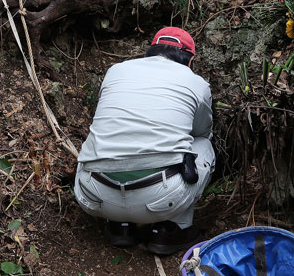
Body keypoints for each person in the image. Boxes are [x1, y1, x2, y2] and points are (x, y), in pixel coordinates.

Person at [74, 27, 215, 255]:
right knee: (203, 144)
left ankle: (120, 226)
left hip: (95, 195)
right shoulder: (196, 82)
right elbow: (202, 131)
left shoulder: (115, 71)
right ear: (190, 60)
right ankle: (171, 230)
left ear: (150, 52)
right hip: (161, 199)